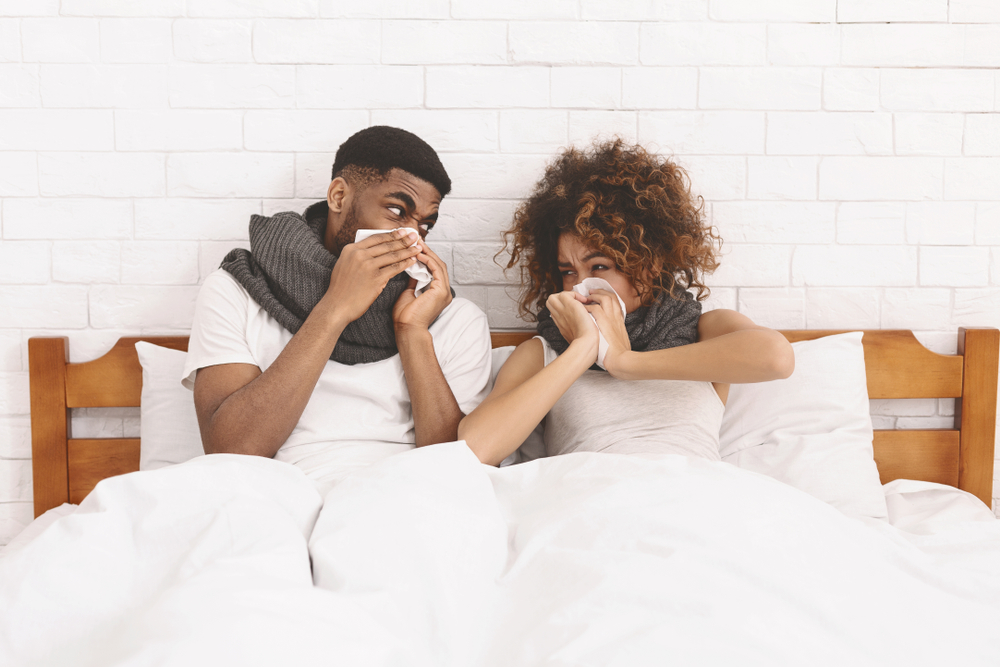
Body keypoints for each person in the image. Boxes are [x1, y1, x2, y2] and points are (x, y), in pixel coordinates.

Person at [183, 126, 493, 486]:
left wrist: (412, 332)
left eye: (424, 226)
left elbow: (453, 472)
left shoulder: (454, 318)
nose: (412, 239)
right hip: (275, 494)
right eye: (396, 211)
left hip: (405, 494)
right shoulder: (237, 291)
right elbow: (231, 450)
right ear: (339, 196)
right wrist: (334, 308)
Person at [458, 139, 795, 466]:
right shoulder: (544, 352)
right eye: (567, 271)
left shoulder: (703, 331)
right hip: (592, 501)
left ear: (648, 264)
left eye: (599, 267)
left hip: (696, 495)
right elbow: (476, 449)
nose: (581, 285)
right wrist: (583, 348)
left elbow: (777, 358)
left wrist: (622, 361)